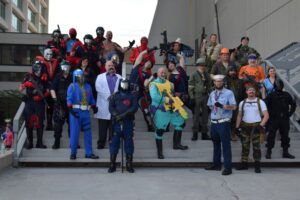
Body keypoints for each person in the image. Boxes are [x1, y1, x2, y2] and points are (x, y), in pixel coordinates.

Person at [149, 67, 188, 159]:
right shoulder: (153, 84)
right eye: (161, 72)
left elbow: (172, 94)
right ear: (158, 73)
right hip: (161, 109)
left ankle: (177, 144)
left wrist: (177, 101)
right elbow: (154, 97)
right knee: (160, 130)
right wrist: (167, 99)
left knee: (181, 123)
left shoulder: (170, 84)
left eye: (164, 72)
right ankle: (159, 152)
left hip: (172, 108)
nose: (163, 74)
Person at [205, 74, 236, 176]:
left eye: (220, 81)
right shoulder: (212, 93)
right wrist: (214, 110)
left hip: (224, 122)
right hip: (214, 122)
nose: (218, 83)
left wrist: (222, 106)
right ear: (214, 83)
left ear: (223, 82)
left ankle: (228, 167)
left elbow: (234, 107)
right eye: (216, 81)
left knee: (226, 145)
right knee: (216, 144)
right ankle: (216, 165)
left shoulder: (229, 93)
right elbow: (210, 105)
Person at [235, 85, 269, 173]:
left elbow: (266, 116)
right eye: (249, 90)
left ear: (255, 92)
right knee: (245, 146)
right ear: (246, 92)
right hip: (245, 126)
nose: (251, 91)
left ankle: (257, 166)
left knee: (256, 147)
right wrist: (237, 127)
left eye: (253, 90)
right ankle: (244, 164)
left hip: (256, 126)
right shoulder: (242, 103)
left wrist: (261, 125)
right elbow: (239, 116)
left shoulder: (260, 102)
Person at [67, 69, 99, 160]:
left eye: (82, 76)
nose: (81, 78)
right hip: (76, 112)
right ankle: (73, 153)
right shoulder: (72, 86)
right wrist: (70, 110)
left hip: (86, 112)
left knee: (88, 133)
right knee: (74, 133)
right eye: (79, 76)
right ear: (75, 77)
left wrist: (94, 106)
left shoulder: (88, 86)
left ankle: (89, 153)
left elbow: (91, 98)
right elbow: (69, 99)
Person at [108, 79, 138, 173]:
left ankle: (129, 164)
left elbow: (134, 107)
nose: (124, 86)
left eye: (126, 84)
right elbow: (111, 107)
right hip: (117, 122)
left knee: (129, 142)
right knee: (114, 143)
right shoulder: (115, 96)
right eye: (123, 84)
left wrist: (124, 114)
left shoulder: (132, 96)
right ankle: (112, 164)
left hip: (128, 122)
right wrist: (116, 115)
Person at [19, 60, 50, 149]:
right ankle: (30, 143)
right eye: (37, 66)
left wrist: (42, 97)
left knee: (40, 123)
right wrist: (25, 87)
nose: (38, 68)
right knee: (29, 123)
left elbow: (48, 90)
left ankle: (39, 143)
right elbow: (20, 88)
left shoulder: (44, 77)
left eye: (40, 66)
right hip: (29, 102)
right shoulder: (28, 76)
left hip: (40, 102)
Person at [265, 80, 296, 159]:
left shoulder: (286, 94)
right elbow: (266, 105)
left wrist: (289, 114)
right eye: (277, 85)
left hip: (284, 118)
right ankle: (269, 151)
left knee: (285, 136)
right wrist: (271, 113)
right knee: (271, 136)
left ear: (282, 86)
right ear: (275, 86)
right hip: (274, 119)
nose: (279, 86)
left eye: (280, 85)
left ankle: (285, 152)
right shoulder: (271, 95)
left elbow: (293, 104)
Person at [95, 61, 122, 149]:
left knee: (113, 126)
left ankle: (112, 142)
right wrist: (109, 97)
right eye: (109, 65)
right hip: (103, 104)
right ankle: (101, 143)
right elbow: (98, 88)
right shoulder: (100, 77)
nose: (111, 67)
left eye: (112, 65)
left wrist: (115, 98)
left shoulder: (119, 77)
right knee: (102, 126)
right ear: (105, 67)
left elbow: (122, 89)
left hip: (115, 105)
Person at [129, 49, 155, 132]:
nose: (149, 64)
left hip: (140, 93)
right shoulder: (136, 67)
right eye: (148, 62)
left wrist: (152, 78)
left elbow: (145, 84)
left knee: (146, 110)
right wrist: (148, 51)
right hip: (130, 92)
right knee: (130, 111)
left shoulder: (148, 74)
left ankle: (150, 126)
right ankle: (130, 126)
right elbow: (140, 55)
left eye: (151, 64)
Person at [36, 48, 61, 130]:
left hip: (53, 87)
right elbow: (37, 75)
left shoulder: (56, 63)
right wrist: (46, 85)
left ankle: (50, 124)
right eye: (47, 54)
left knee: (51, 106)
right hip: (44, 88)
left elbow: (58, 74)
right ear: (44, 54)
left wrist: (53, 85)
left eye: (51, 54)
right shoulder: (39, 63)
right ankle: (41, 123)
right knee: (41, 106)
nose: (49, 56)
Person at [50, 61, 72, 149]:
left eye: (67, 66)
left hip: (70, 105)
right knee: (58, 124)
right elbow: (52, 89)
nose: (66, 68)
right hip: (60, 104)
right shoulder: (58, 77)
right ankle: (57, 142)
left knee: (72, 124)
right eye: (64, 66)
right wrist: (55, 100)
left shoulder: (72, 77)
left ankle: (73, 143)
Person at [188, 57, 211, 140]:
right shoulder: (193, 74)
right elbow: (190, 86)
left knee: (205, 116)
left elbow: (209, 85)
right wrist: (191, 97)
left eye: (203, 65)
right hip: (196, 96)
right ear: (197, 66)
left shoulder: (207, 74)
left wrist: (209, 95)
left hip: (205, 96)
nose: (202, 66)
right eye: (200, 65)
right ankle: (195, 134)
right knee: (196, 116)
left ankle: (204, 133)